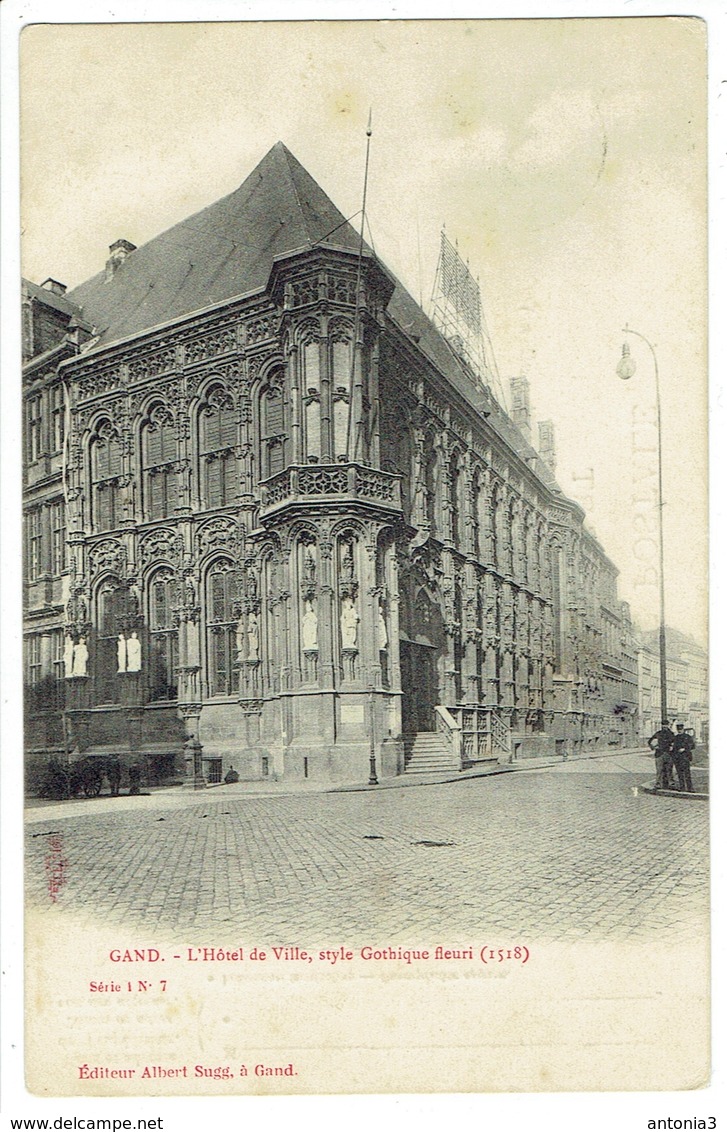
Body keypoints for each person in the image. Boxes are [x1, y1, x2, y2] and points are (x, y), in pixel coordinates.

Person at [648, 721, 675, 790]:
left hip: (669, 754)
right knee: (659, 770)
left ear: (668, 725)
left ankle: (671, 783)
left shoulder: (671, 734)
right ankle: (658, 784)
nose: (665, 726)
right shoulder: (658, 733)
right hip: (659, 754)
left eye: (666, 725)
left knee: (669, 769)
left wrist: (672, 746)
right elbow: (650, 741)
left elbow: (675, 742)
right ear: (661, 726)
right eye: (663, 725)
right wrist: (653, 747)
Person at [671, 723, 695, 793]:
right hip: (677, 758)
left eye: (681, 729)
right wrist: (672, 748)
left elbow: (693, 746)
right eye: (678, 730)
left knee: (687, 773)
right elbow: (673, 747)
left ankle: (690, 788)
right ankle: (682, 787)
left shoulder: (688, 737)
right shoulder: (676, 738)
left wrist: (685, 749)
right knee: (680, 773)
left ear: (683, 729)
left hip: (685, 757)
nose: (679, 731)